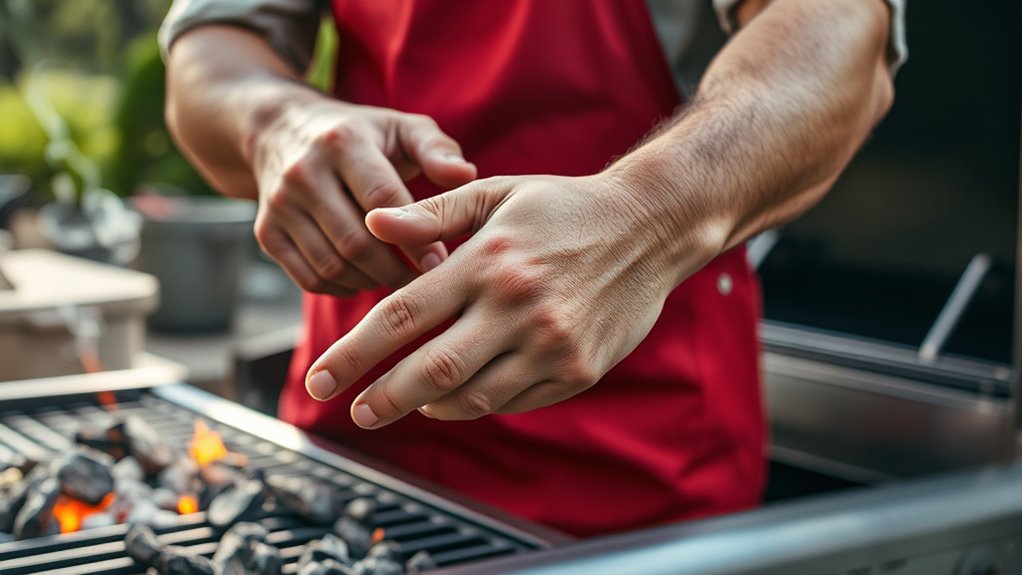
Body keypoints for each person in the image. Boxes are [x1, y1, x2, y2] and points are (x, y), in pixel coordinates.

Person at [161, 0, 905, 537]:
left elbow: (840, 30)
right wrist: (275, 121)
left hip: (643, 483)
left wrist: (645, 214)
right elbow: (212, 46)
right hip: (347, 460)